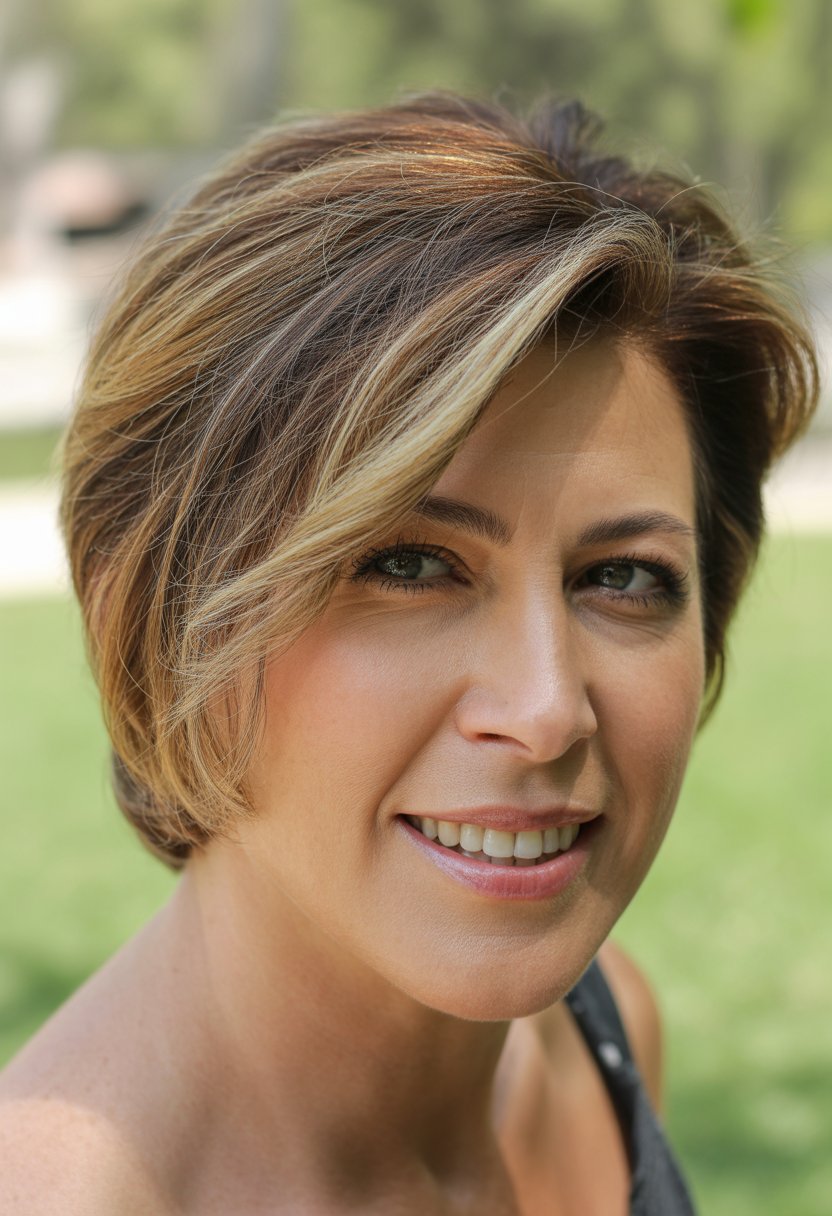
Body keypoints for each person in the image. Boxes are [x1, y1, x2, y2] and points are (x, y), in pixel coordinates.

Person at [0, 92, 817, 1215]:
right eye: (407, 565)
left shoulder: (601, 1033)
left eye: (621, 577)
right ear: (155, 606)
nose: (546, 710)